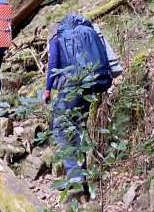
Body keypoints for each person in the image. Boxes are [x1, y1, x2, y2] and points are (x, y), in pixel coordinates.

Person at [42, 14, 123, 187]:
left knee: (59, 128)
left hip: (73, 83)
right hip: (90, 82)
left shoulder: (57, 36)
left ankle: (74, 175)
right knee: (79, 126)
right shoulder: (86, 31)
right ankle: (82, 174)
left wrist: (47, 90)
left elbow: (53, 64)